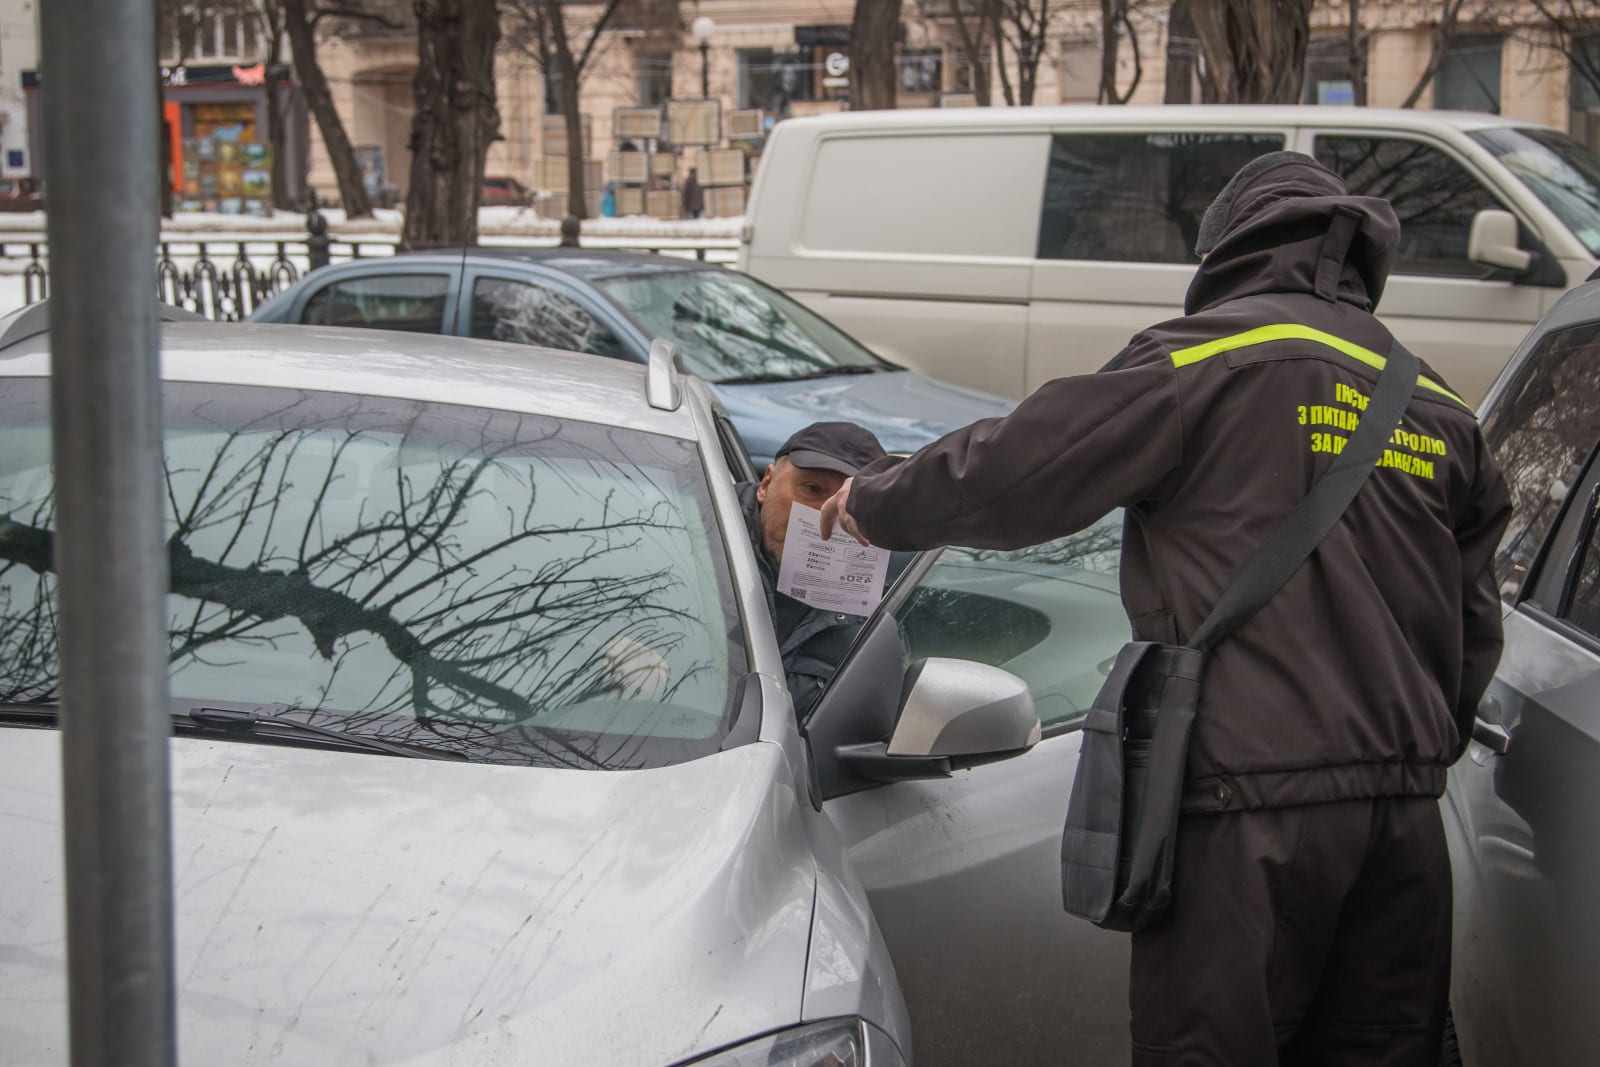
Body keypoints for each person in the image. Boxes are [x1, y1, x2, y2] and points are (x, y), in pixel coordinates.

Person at [820, 152, 1512, 1066]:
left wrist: (873, 501)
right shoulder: (1436, 404)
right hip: (1403, 831)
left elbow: (1020, 467)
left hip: (1241, 815)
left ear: (1230, 247)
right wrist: (1404, 751)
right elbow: (1474, 630)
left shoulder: (1206, 359)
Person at [741, 422, 889, 717]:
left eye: (853, 504)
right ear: (766, 484)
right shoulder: (697, 541)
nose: (827, 513)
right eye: (812, 489)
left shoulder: (873, 619)